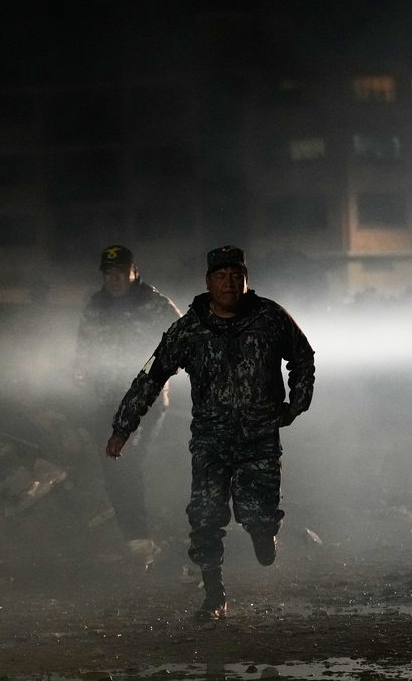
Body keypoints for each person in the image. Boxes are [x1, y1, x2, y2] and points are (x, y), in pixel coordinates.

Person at [105, 245, 315, 620]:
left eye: (237, 276)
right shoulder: (189, 328)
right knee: (205, 515)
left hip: (259, 438)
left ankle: (263, 534)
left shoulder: (270, 317)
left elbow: (302, 356)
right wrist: (124, 426)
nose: (230, 284)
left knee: (259, 515)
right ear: (208, 282)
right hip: (210, 440)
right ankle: (213, 594)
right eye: (221, 277)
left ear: (246, 279)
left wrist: (296, 404)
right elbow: (151, 377)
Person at [74, 244, 181, 567]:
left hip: (144, 401)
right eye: (108, 272)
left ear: (134, 271)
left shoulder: (156, 305)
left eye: (120, 271)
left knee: (127, 461)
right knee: (113, 467)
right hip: (106, 400)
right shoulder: (95, 306)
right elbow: (84, 349)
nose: (114, 278)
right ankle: (134, 538)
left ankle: (139, 539)